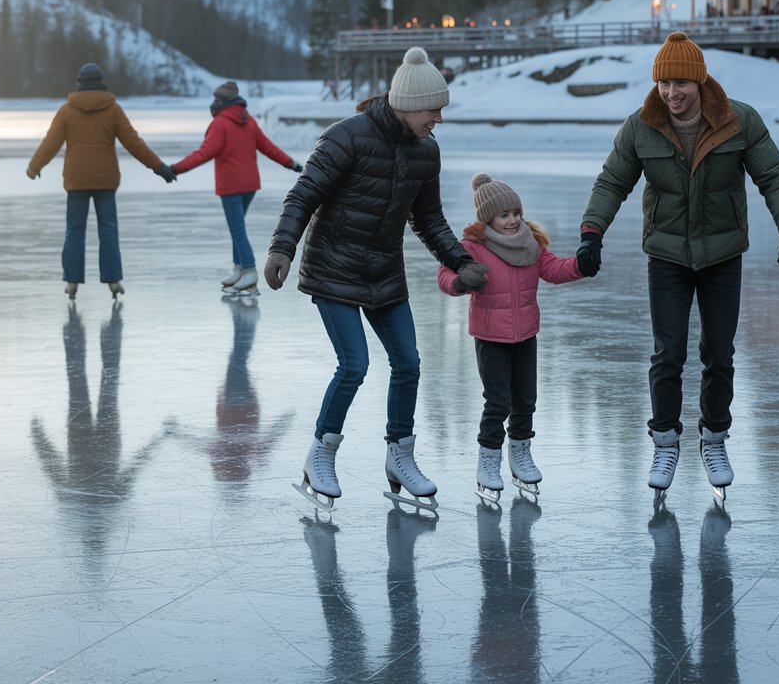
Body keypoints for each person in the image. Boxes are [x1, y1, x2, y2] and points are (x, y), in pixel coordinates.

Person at [576, 32, 779, 502]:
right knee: (667, 354)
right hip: (667, 257)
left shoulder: (738, 121)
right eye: (664, 83)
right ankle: (665, 442)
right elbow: (611, 181)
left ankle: (715, 439)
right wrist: (591, 233)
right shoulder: (641, 126)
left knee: (719, 354)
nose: (671, 93)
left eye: (680, 83)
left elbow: (774, 176)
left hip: (722, 256)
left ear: (699, 81)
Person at [263, 46, 485, 513]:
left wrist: (459, 261)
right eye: (433, 109)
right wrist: (282, 247)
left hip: (384, 273)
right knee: (355, 365)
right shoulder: (348, 137)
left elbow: (429, 220)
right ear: (406, 104)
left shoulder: (427, 152)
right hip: (333, 270)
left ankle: (400, 456)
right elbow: (303, 196)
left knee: (409, 363)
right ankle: (320, 455)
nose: (439, 119)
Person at [437, 172, 586, 502]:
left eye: (516, 213)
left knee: (525, 401)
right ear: (489, 217)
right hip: (490, 337)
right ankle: (488, 462)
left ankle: (520, 454)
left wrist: (581, 265)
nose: (513, 220)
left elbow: (554, 270)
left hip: (525, 335)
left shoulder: (531, 244)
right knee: (497, 401)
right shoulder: (472, 247)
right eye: (504, 215)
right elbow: (445, 276)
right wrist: (462, 281)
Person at [27, 62, 177, 298]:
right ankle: (113, 281)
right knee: (108, 230)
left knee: (74, 231)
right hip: (106, 180)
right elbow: (133, 143)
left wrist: (35, 166)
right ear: (101, 81)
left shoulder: (67, 111)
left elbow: (50, 143)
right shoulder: (113, 109)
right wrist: (159, 168)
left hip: (77, 180)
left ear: (79, 83)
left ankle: (72, 282)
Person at [170, 81, 303, 296]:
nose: (214, 103)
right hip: (249, 185)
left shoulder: (220, 123)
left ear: (224, 102)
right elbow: (268, 147)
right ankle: (238, 269)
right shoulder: (247, 120)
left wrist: (176, 169)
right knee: (237, 227)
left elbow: (204, 153)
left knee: (237, 230)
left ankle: (249, 271)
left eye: (217, 100)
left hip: (231, 186)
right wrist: (291, 163)